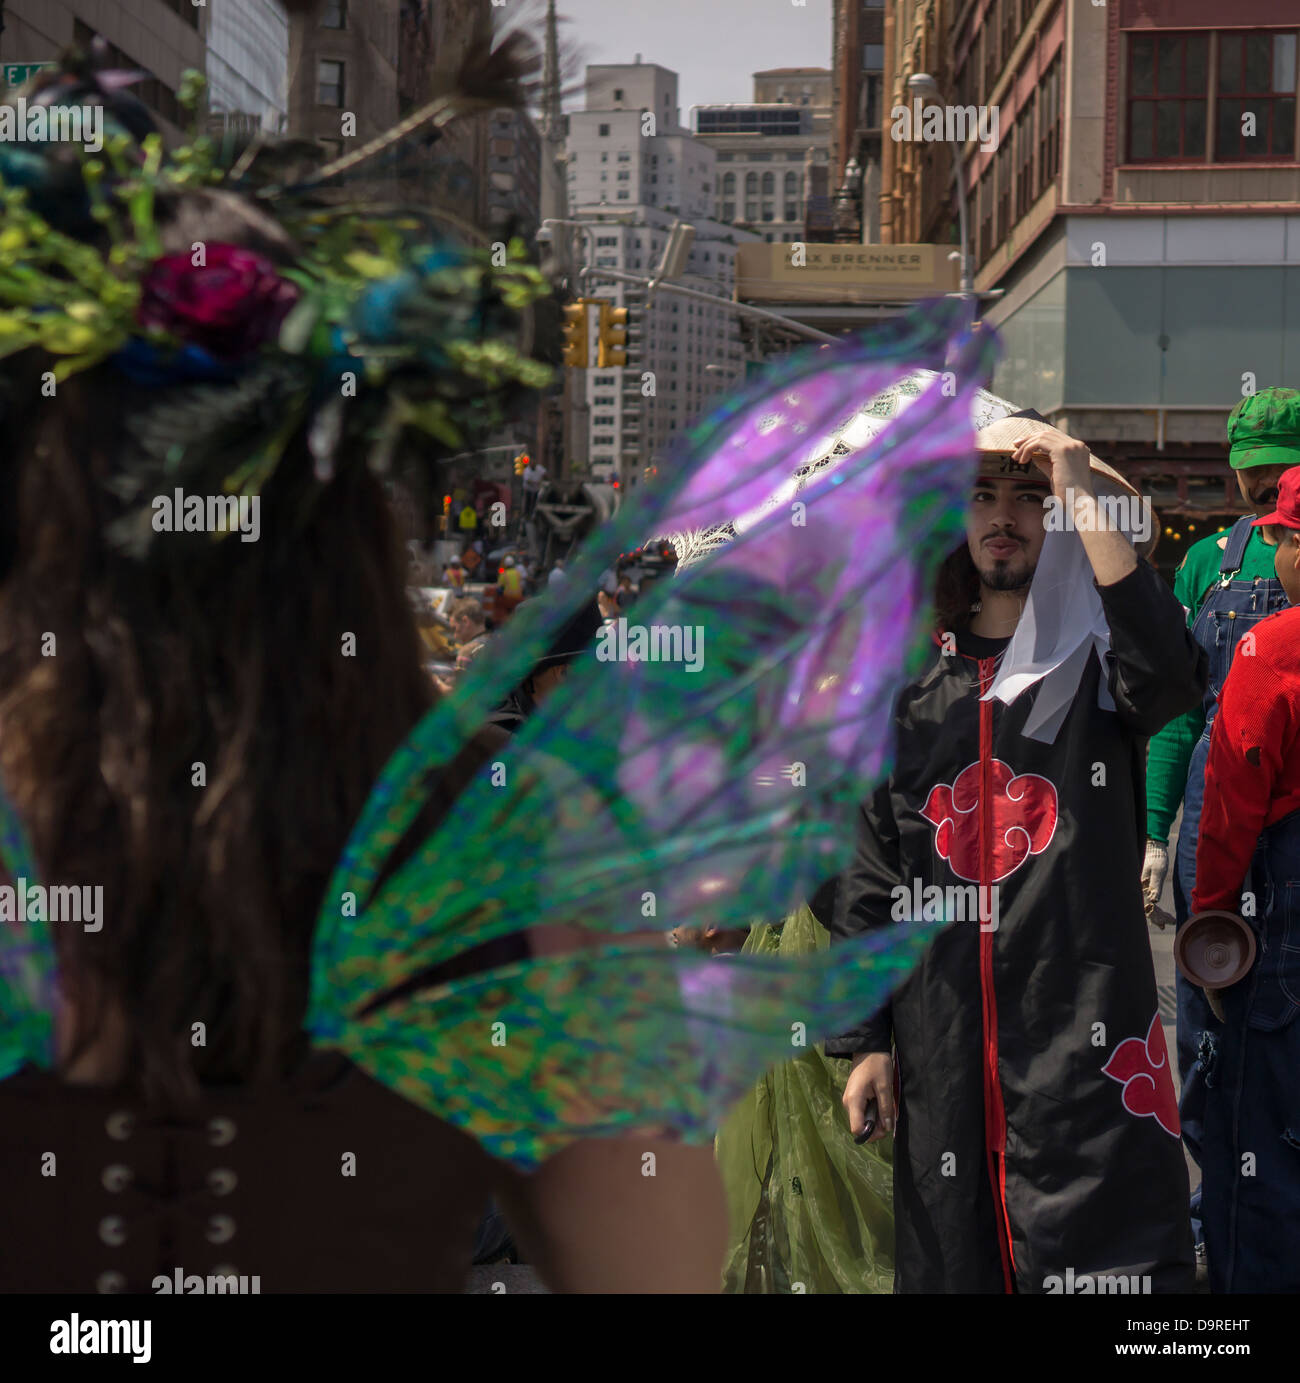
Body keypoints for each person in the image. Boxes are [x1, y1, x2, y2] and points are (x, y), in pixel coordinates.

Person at [830, 413, 1205, 1293]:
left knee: (1116, 1266)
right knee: (955, 1260)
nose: (1006, 516)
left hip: (1087, 1030)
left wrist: (1076, 480)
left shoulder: (1095, 665)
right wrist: (867, 1039)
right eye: (983, 495)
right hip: (942, 1039)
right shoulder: (904, 678)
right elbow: (866, 864)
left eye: (1031, 500)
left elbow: (1172, 678)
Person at [1141, 389, 1296, 1247]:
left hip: (1274, 841)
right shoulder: (1208, 563)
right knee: (1208, 1048)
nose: (1262, 499)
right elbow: (1177, 711)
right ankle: (1217, 1228)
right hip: (1218, 838)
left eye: (1277, 479)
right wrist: (1156, 831)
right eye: (1250, 483)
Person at [1191, 463, 1300, 1294]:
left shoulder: (1270, 649)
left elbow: (1229, 803)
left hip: (1279, 928)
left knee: (1254, 1143)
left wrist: (1212, 924)